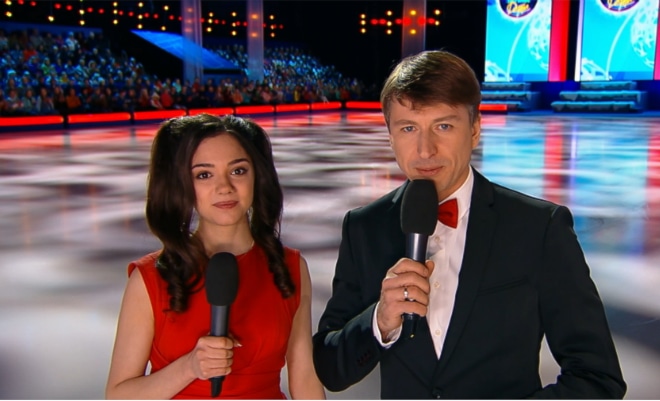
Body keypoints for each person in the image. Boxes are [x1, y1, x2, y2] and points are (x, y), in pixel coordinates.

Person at [312, 50, 626, 399]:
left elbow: (597, 377)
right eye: (409, 128)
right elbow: (329, 368)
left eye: (443, 126)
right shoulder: (364, 227)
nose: (425, 150)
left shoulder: (538, 227)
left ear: (475, 129)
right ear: (390, 135)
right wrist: (379, 321)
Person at [106, 113, 325, 400]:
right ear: (183, 184)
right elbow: (118, 395)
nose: (224, 187)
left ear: (257, 176)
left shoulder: (290, 267)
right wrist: (189, 367)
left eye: (238, 170)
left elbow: (305, 378)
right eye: (204, 175)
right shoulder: (150, 278)